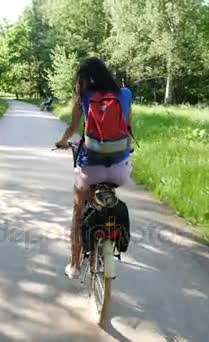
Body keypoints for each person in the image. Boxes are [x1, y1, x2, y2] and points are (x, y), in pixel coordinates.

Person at [55, 57, 133, 279]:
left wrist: (62, 142)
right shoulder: (125, 94)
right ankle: (110, 229)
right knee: (110, 190)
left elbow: (72, 128)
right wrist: (124, 152)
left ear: (83, 78)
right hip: (119, 169)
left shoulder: (84, 96)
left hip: (91, 169)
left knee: (78, 212)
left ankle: (74, 266)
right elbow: (128, 129)